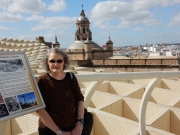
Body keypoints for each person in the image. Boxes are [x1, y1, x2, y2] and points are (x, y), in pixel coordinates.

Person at [36, 48, 84, 135]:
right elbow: (39, 109)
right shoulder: (41, 81)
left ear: (64, 62)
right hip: (49, 130)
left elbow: (80, 100)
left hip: (72, 129)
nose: (56, 64)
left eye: (59, 61)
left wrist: (80, 124)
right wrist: (60, 132)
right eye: (52, 61)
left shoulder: (71, 77)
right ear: (47, 62)